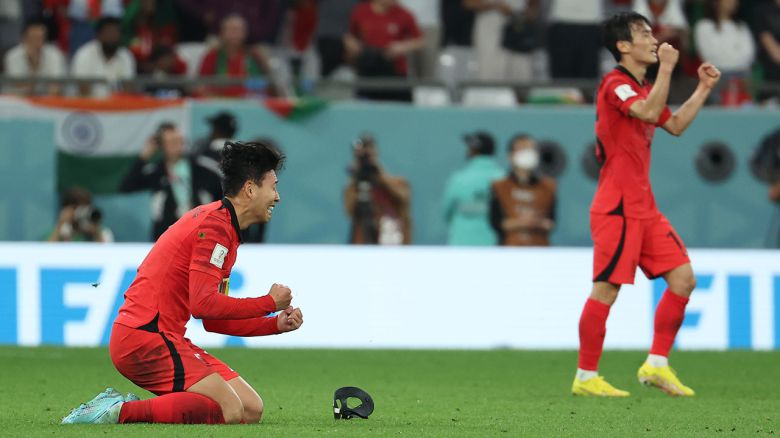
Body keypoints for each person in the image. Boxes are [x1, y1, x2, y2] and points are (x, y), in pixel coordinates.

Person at [60, 140, 303, 425]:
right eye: (273, 187)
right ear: (250, 189)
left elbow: (213, 320)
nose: (277, 197)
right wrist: (268, 303)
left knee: (250, 409)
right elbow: (203, 305)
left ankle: (131, 408)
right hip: (146, 337)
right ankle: (116, 411)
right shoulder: (215, 227)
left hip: (162, 336)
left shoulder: (224, 226)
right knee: (230, 409)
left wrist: (273, 324)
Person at [571, 12, 721, 397]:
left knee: (684, 279)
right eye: (644, 33)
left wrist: (703, 88)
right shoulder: (615, 85)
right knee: (606, 290)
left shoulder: (642, 88)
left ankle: (656, 364)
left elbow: (675, 125)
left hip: (644, 207)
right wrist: (668, 68)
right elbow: (650, 113)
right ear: (623, 46)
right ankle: (586, 377)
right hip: (617, 207)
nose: (654, 40)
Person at [119, 122, 223, 241]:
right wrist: (145, 155)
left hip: (201, 234)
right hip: (166, 237)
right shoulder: (156, 172)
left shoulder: (202, 167)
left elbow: (223, 193)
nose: (177, 145)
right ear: (162, 145)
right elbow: (126, 186)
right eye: (171, 142)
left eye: (179, 140)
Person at [344, 0, 424, 101]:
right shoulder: (360, 11)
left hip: (396, 71)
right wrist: (353, 46)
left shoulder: (404, 14)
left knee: (400, 107)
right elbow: (350, 36)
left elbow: (420, 41)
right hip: (368, 70)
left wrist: (402, 46)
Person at [489, 134, 556, 246]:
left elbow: (551, 222)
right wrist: (521, 222)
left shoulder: (548, 187)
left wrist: (536, 222)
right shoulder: (499, 186)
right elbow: (496, 223)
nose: (527, 154)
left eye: (530, 149)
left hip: (540, 248)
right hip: (509, 248)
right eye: (522, 149)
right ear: (510, 156)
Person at [344, 134, 412, 245]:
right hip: (364, 246)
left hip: (394, 243)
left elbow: (402, 199)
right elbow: (349, 209)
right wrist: (357, 176)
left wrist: (377, 173)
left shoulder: (398, 183)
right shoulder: (354, 188)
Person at [442, 131, 504, 245]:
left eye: (469, 147)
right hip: (494, 247)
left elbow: (446, 213)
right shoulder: (503, 179)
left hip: (461, 245)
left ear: (473, 150)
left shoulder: (458, 179)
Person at [197, 14, 274, 98]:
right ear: (221, 33)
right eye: (230, 30)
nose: (234, 34)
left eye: (238, 30)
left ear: (245, 33)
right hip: (219, 101)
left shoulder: (255, 56)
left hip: (250, 101)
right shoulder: (212, 56)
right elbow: (200, 86)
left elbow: (269, 86)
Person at [693, 0, 755, 105]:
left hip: (742, 74)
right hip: (717, 74)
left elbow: (748, 53)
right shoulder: (703, 26)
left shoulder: (742, 26)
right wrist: (733, 56)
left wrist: (733, 63)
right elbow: (709, 55)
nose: (732, 2)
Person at [70, 16, 136, 97]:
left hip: (117, 103)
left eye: (116, 32)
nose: (112, 36)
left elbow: (128, 89)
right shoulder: (84, 54)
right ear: (98, 35)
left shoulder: (126, 56)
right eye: (108, 32)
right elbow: (82, 90)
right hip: (88, 103)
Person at [3, 18, 66, 95]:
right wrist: (32, 62)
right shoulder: (12, 56)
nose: (37, 43)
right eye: (33, 38)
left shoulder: (54, 54)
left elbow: (56, 86)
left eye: (40, 38)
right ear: (24, 38)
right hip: (19, 99)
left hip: (47, 99)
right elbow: (18, 85)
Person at [48, 187, 114, 243]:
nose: (81, 212)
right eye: (76, 208)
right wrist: (60, 225)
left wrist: (96, 233)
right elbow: (47, 251)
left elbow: (108, 253)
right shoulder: (57, 232)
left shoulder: (103, 232)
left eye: (85, 208)